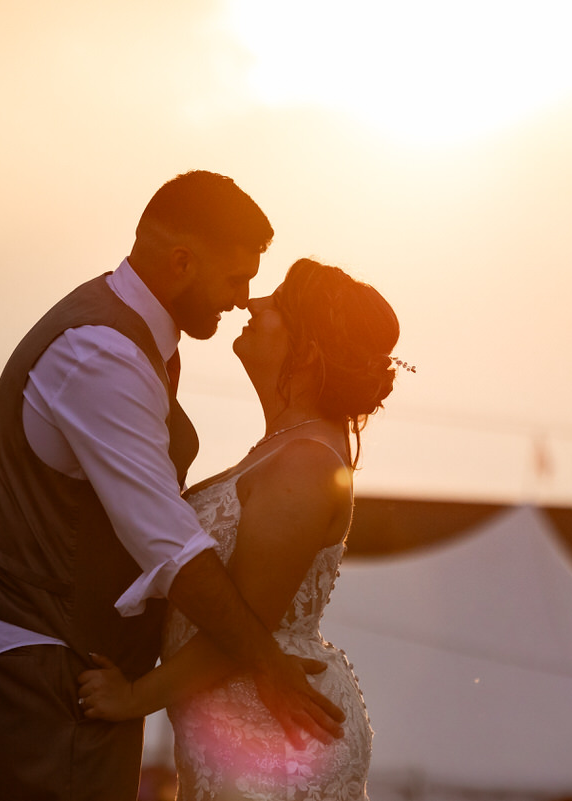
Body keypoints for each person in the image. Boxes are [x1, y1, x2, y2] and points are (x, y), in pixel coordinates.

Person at [0, 172, 344, 801]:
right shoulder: (101, 354)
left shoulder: (130, 338)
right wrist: (266, 664)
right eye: (235, 277)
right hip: (55, 659)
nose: (244, 298)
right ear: (182, 262)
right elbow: (165, 543)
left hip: (81, 661)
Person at [77, 258, 401, 801]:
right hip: (234, 722)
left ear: (309, 348)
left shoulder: (306, 464)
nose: (253, 304)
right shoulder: (284, 448)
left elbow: (244, 622)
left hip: (278, 734)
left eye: (275, 302)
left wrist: (133, 697)